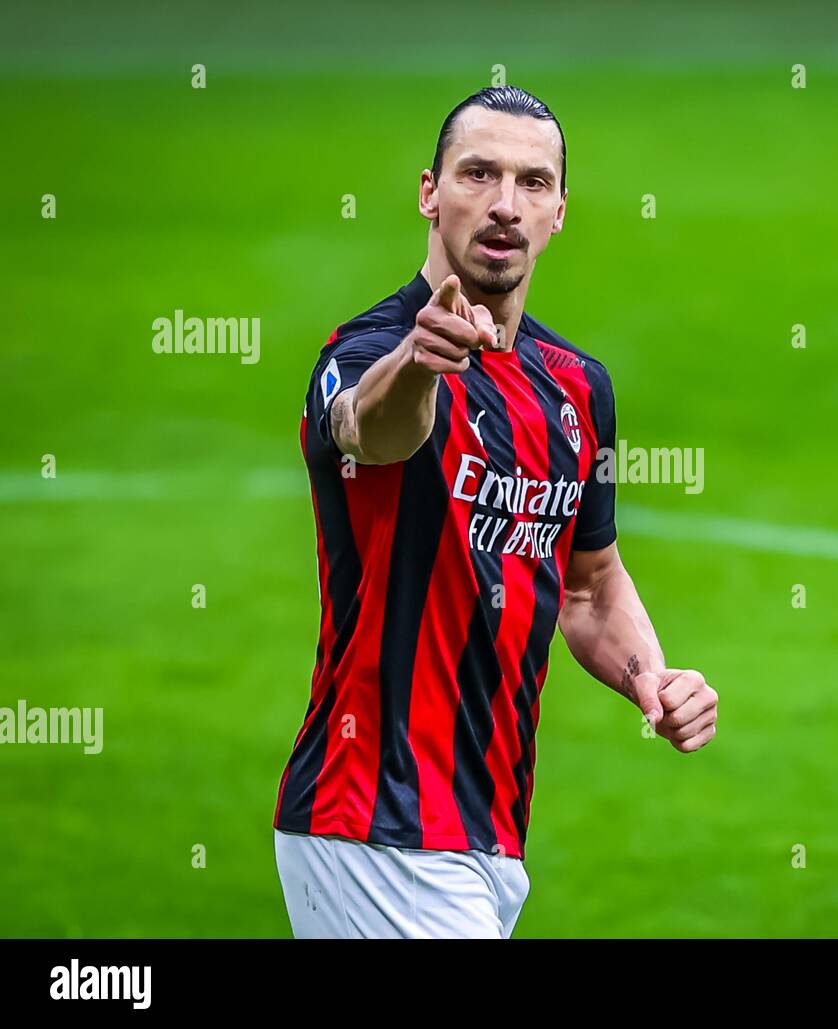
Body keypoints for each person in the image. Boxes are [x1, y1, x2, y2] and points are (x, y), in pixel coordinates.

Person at [272, 85, 718, 938]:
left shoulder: (578, 388)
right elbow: (369, 428)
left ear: (559, 212)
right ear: (429, 193)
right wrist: (419, 364)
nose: (506, 204)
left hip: (490, 834)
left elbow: (589, 586)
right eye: (478, 174)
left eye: (533, 182)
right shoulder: (366, 351)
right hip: (374, 817)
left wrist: (650, 678)